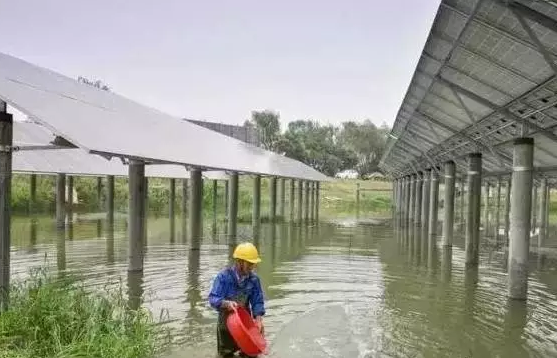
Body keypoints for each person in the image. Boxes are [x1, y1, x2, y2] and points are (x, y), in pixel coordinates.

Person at [208, 242, 266, 358]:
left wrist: (258, 319)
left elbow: (257, 301)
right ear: (239, 262)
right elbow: (212, 298)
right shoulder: (223, 277)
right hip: (226, 325)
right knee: (226, 355)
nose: (252, 267)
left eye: (253, 264)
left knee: (251, 354)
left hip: (245, 324)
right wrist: (226, 303)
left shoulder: (254, 280)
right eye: (249, 263)